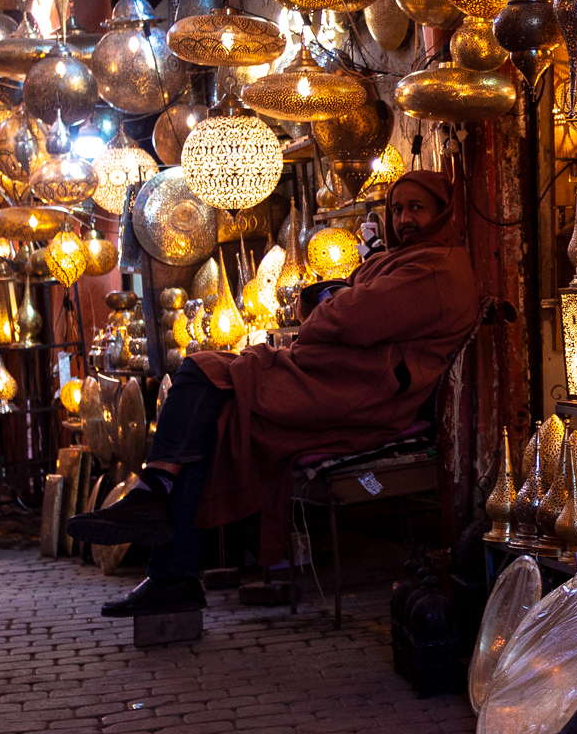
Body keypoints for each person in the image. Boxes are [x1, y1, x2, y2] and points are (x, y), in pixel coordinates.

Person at [69, 170, 480, 617]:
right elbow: (330, 305)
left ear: (442, 213)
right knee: (211, 402)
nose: (405, 219)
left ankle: (164, 531)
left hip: (359, 394)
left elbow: (343, 317)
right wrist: (330, 304)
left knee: (202, 376)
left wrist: (328, 306)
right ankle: (169, 554)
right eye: (397, 210)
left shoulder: (435, 269)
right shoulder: (402, 261)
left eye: (417, 209)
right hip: (336, 377)